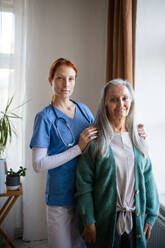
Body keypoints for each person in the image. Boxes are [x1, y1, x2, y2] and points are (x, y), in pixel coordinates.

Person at [76, 79, 159, 248]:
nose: (120, 104)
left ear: (131, 102)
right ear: (105, 103)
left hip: (135, 222)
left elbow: (148, 178)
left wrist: (151, 214)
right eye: (114, 99)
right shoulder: (95, 140)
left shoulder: (138, 139)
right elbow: (84, 185)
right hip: (104, 223)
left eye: (125, 98)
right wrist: (89, 221)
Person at [30, 58, 97, 248]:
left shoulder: (84, 111)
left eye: (71, 79)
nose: (66, 84)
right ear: (50, 80)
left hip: (85, 196)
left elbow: (102, 142)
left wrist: (134, 133)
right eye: (60, 78)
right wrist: (78, 148)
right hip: (60, 199)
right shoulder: (45, 118)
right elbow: (38, 164)